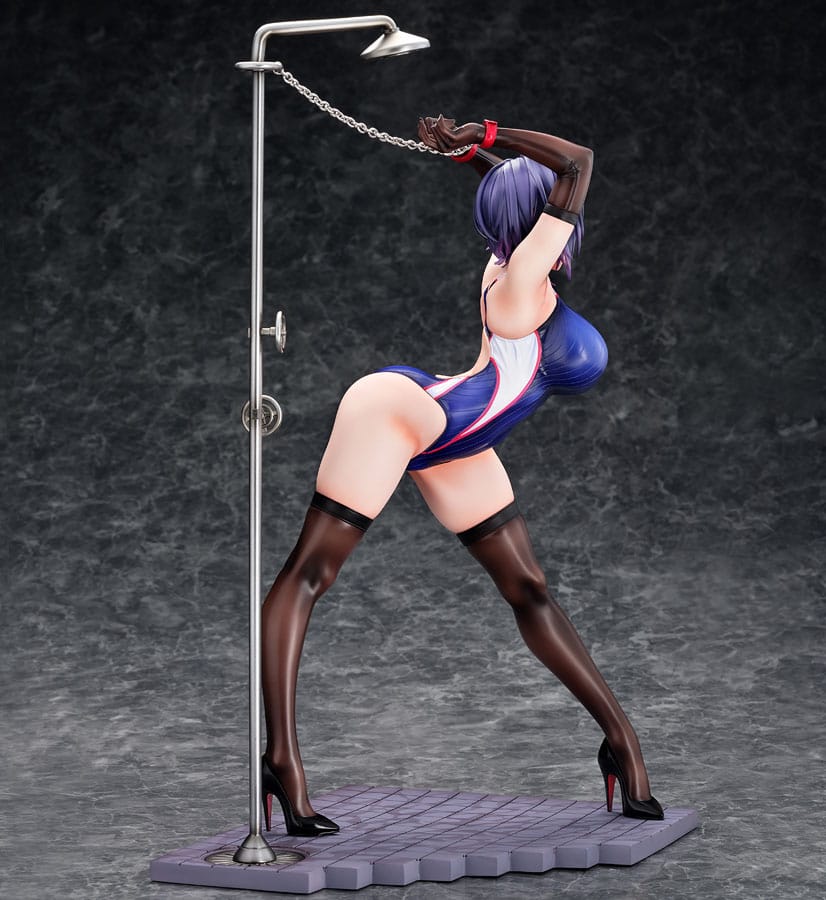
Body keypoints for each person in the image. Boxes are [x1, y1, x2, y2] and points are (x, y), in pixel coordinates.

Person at [259, 115, 664, 837]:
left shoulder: (515, 261)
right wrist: (489, 130)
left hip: (461, 442)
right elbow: (577, 160)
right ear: (542, 220)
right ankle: (281, 761)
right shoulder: (521, 283)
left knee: (530, 591)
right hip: (401, 413)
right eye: (556, 208)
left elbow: (522, 190)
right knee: (311, 573)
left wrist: (471, 154)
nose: (570, 213)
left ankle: (621, 743)